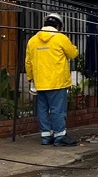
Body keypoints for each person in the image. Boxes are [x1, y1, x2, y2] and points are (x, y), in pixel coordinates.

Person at [25, 13, 80, 146]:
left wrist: (31, 78)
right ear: (58, 26)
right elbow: (73, 54)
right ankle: (60, 137)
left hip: (40, 82)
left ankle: (46, 137)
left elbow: (28, 62)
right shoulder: (60, 38)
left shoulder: (32, 41)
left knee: (42, 110)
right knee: (58, 110)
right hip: (57, 82)